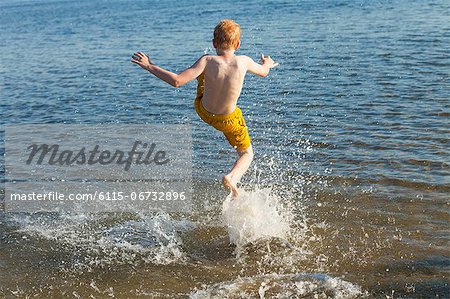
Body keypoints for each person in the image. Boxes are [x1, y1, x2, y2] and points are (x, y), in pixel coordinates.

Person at [131, 19, 277, 198]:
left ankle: (206, 78)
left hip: (204, 111)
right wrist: (268, 63)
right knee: (247, 153)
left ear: (214, 43)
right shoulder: (244, 61)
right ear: (238, 44)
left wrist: (149, 66)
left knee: (203, 71)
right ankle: (232, 178)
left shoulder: (207, 60)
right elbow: (263, 72)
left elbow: (177, 81)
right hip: (228, 120)